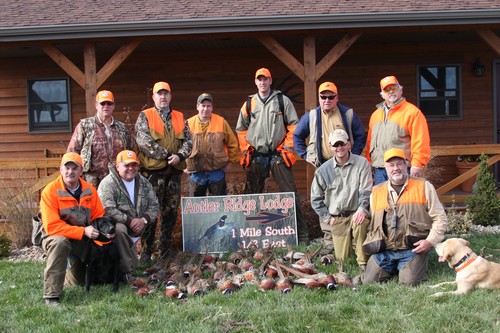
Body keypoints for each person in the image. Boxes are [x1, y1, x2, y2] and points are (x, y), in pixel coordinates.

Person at [236, 67, 308, 243]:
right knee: (251, 198)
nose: (262, 82)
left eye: (265, 79)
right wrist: (246, 149)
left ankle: (302, 235)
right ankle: (247, 235)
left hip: (278, 155)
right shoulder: (249, 103)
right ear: (255, 82)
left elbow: (294, 126)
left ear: (270, 81)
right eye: (259, 79)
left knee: (290, 195)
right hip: (256, 156)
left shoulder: (282, 101)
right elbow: (241, 129)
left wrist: (287, 148)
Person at [363, 148, 447, 285]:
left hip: (413, 249)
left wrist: (430, 241)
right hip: (385, 250)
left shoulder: (424, 186)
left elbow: (440, 218)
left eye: (399, 164)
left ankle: (407, 266)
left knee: (409, 282)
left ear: (406, 165)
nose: (396, 168)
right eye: (391, 165)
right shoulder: (376, 192)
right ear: (385, 168)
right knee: (369, 281)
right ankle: (394, 266)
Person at [135, 81, 192, 260]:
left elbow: (189, 142)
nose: (163, 97)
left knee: (170, 213)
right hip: (152, 175)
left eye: (166, 93)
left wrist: (180, 157)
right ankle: (146, 252)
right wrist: (168, 155)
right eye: (159, 94)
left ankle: (165, 251)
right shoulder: (145, 116)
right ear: (153, 97)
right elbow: (143, 142)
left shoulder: (180, 117)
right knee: (150, 213)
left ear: (170, 96)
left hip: (173, 174)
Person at [40, 152, 105, 306]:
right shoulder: (50, 191)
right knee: (60, 243)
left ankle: (120, 276)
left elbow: (99, 216)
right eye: (66, 168)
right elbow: (52, 226)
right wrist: (83, 231)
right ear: (61, 170)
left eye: (74, 168)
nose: (70, 172)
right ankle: (51, 296)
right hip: (56, 236)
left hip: (81, 238)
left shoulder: (89, 190)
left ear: (81, 171)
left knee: (80, 283)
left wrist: (100, 232)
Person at [310, 129, 372, 270]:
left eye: (342, 144)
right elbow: (315, 198)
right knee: (343, 258)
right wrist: (328, 218)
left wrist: (362, 209)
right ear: (331, 147)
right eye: (336, 145)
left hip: (357, 213)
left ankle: (363, 264)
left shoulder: (362, 163)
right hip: (338, 218)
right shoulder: (323, 170)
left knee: (361, 224)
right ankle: (350, 258)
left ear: (349, 144)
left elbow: (366, 190)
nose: (339, 148)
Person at [98, 150, 159, 280]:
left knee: (153, 222)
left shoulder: (143, 182)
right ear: (118, 166)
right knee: (120, 229)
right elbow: (107, 209)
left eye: (134, 165)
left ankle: (141, 259)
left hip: (140, 225)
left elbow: (154, 205)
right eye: (126, 165)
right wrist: (129, 221)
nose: (131, 168)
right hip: (117, 226)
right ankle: (127, 272)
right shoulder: (108, 183)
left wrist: (144, 220)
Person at [365, 76, 431, 185]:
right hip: (380, 170)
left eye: (394, 88)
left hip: (403, 168)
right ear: (382, 94)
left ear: (400, 90)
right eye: (387, 89)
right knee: (383, 201)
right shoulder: (375, 115)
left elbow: (421, 140)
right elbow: (370, 142)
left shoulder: (412, 112)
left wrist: (417, 164)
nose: (391, 92)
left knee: (404, 200)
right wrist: (369, 162)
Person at [67, 90, 133, 188]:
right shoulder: (85, 126)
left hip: (116, 178)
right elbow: (72, 153)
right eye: (102, 103)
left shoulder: (122, 128)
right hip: (91, 179)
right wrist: (73, 175)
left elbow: (130, 152)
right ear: (97, 105)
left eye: (109, 103)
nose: (106, 106)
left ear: (113, 106)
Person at [293, 81, 366, 167]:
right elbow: (297, 136)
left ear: (337, 98)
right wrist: (306, 155)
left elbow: (360, 136)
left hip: (346, 164)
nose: (327, 100)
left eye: (331, 97)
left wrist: (354, 155)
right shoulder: (311, 116)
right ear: (319, 98)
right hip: (322, 164)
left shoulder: (348, 114)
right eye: (323, 97)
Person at [185, 93, 240, 196]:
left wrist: (231, 162)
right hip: (196, 172)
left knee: (219, 206)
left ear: (212, 107)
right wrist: (182, 165)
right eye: (203, 105)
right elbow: (179, 145)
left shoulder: (221, 122)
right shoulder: (188, 123)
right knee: (196, 208)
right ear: (197, 107)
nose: (205, 109)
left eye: (208, 106)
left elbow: (232, 143)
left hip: (217, 171)